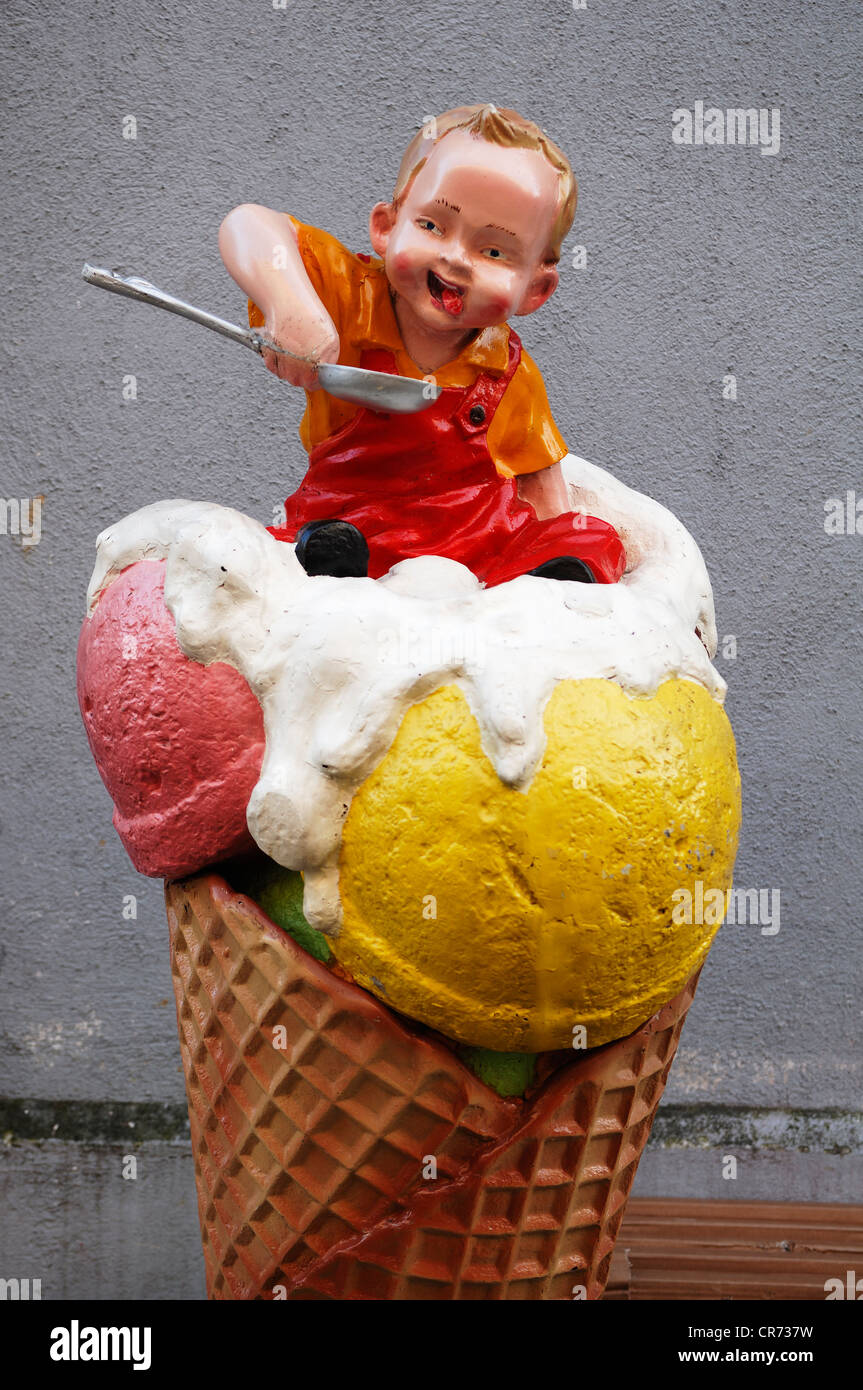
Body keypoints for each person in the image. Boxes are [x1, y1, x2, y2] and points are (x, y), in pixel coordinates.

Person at [219, 103, 626, 586]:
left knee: (590, 539)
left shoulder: (506, 371)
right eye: (432, 226)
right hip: (352, 517)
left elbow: (538, 480)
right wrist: (291, 305)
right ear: (386, 228)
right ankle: (335, 572)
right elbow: (248, 224)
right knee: (326, 543)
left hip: (475, 541)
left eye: (494, 251)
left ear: (535, 290)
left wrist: (552, 535)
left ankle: (551, 584)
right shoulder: (351, 300)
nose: (455, 258)